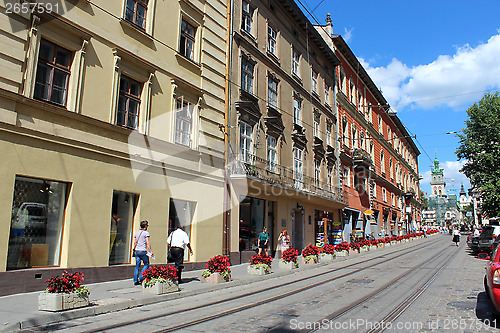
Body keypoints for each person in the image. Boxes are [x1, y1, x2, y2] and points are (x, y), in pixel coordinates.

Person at [132, 220, 153, 285]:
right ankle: (141, 277)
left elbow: (135, 242)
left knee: (137, 266)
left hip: (137, 251)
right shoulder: (146, 233)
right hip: (143, 251)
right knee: (146, 264)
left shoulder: (137, 233)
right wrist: (150, 251)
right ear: (145, 226)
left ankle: (135, 280)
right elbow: (147, 242)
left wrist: (134, 250)